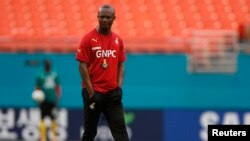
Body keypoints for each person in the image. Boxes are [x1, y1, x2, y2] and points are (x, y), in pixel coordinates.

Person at [75, 4, 129, 141]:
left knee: (122, 134)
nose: (104, 20)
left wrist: (119, 87)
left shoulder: (118, 40)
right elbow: (82, 66)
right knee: (89, 133)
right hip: (93, 93)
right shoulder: (88, 39)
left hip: (112, 94)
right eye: (102, 17)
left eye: (108, 17)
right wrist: (92, 93)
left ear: (113, 18)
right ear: (98, 17)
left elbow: (121, 65)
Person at [34, 59, 61, 141]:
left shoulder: (54, 75)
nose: (48, 66)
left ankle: (54, 137)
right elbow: (37, 88)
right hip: (43, 100)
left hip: (52, 100)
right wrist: (37, 96)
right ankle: (43, 137)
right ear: (45, 65)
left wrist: (58, 97)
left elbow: (57, 87)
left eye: (49, 64)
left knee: (53, 118)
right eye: (47, 64)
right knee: (42, 118)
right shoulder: (40, 75)